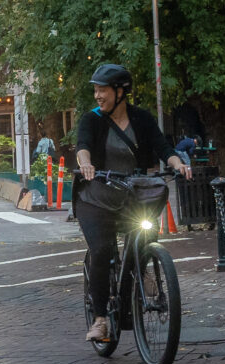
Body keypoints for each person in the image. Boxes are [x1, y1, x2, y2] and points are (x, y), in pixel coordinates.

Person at [71, 63, 192, 344]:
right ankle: (101, 319)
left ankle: (143, 265)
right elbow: (83, 147)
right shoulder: (92, 120)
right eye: (96, 90)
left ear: (121, 92)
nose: (98, 96)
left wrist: (178, 164)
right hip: (96, 198)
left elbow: (164, 149)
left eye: (103, 90)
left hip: (132, 195)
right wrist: (86, 164)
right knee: (101, 251)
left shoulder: (142, 119)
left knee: (146, 228)